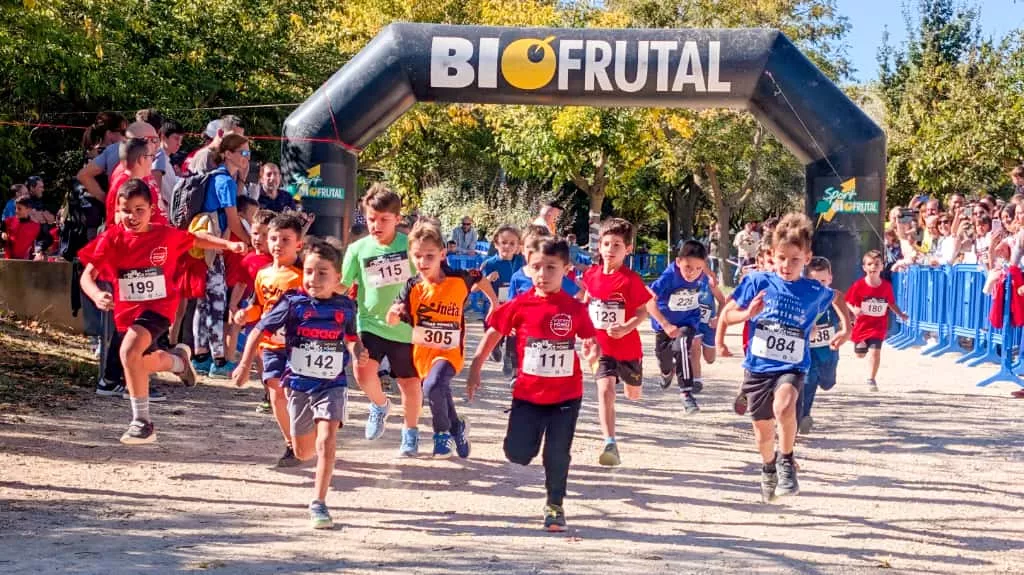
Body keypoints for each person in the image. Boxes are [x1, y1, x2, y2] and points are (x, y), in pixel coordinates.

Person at [78, 179, 245, 444]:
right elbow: (87, 276)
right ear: (117, 210)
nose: (132, 217)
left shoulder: (164, 235)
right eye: (126, 210)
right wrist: (97, 295)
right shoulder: (112, 238)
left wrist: (228, 246)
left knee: (128, 352)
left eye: (139, 210)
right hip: (127, 313)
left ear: (151, 210)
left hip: (159, 308)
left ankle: (142, 422)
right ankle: (179, 361)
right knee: (140, 363)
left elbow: (196, 238)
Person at [466, 236, 598, 532]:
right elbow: (494, 332)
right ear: (527, 266)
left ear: (566, 269)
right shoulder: (520, 304)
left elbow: (590, 338)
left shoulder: (574, 308)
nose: (543, 274)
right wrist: (475, 367)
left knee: (557, 452)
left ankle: (555, 505)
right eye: (536, 267)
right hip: (528, 395)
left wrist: (593, 352)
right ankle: (529, 443)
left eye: (551, 267)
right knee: (518, 454)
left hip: (566, 395)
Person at [234, 236, 363, 529]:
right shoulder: (293, 303)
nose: (313, 278)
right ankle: (312, 443)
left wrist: (358, 352)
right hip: (299, 385)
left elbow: (351, 338)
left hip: (332, 384)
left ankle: (319, 502)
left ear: (337, 278)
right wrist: (243, 365)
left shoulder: (346, 306)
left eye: (322, 273)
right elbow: (258, 330)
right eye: (308, 271)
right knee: (304, 451)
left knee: (326, 440)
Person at [719, 213, 838, 502]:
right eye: (782, 258)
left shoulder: (814, 290)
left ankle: (786, 461)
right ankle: (769, 466)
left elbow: (838, 298)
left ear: (807, 258)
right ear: (772, 254)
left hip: (792, 365)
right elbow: (727, 314)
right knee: (763, 435)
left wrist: (845, 329)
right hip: (758, 367)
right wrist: (747, 314)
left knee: (784, 407)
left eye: (795, 260)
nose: (787, 265)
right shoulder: (757, 281)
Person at [387, 221, 497, 458]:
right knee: (439, 389)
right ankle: (457, 427)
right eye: (417, 256)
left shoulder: (458, 278)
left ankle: (441, 434)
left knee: (433, 386)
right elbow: (393, 316)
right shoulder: (412, 286)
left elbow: (479, 277)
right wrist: (393, 314)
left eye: (430, 256)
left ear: (442, 254)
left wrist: (494, 304)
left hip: (450, 351)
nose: (423, 262)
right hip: (423, 354)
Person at [340, 184, 421, 455]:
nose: (376, 225)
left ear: (397, 219)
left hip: (406, 328)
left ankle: (410, 432)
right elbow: (343, 285)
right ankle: (379, 404)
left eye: (384, 219)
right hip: (370, 323)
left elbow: (427, 278)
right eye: (371, 219)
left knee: (409, 384)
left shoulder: (410, 247)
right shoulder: (358, 249)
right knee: (362, 372)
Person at [231, 213, 305, 466]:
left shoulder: (303, 275)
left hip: (300, 345)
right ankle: (291, 444)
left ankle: (308, 435)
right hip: (271, 345)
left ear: (298, 244)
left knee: (297, 394)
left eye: (285, 240)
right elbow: (258, 306)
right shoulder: (263, 274)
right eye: (273, 238)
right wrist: (245, 314)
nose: (277, 244)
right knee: (276, 393)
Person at [580, 218, 653, 467]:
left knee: (633, 394)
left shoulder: (630, 280)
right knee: (605, 390)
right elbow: (586, 304)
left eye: (617, 245)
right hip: (602, 348)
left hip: (628, 348)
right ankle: (610, 443)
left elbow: (643, 312)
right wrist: (585, 333)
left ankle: (632, 382)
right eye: (606, 244)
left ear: (628, 249)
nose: (610, 249)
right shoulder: (591, 275)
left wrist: (626, 327)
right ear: (599, 246)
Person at [192, 134, 252, 379]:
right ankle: (218, 360)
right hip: (214, 246)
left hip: (203, 243)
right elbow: (234, 220)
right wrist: (250, 242)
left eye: (248, 153)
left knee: (203, 302)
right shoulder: (225, 181)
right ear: (227, 153)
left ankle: (201, 357)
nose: (246, 158)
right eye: (243, 153)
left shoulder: (215, 177)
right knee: (217, 301)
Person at [646, 240, 710, 415]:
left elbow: (704, 270)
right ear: (678, 261)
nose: (692, 273)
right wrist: (665, 324)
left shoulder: (701, 274)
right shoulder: (669, 277)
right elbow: (648, 301)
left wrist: (711, 276)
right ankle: (667, 372)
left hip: (688, 321)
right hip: (665, 324)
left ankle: (686, 393)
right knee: (664, 358)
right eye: (688, 267)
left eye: (698, 269)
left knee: (681, 346)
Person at [798, 257, 851, 435]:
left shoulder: (832, 298)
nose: (818, 286)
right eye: (814, 281)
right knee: (809, 380)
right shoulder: (802, 300)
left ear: (830, 278)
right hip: (808, 351)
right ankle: (803, 416)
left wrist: (846, 327)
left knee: (828, 383)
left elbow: (842, 304)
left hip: (829, 351)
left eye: (822, 281)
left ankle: (826, 379)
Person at [846, 250, 908, 391]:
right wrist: (854, 310)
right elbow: (847, 301)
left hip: (878, 326)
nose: (873, 266)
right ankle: (856, 340)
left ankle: (871, 379)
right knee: (860, 354)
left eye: (876, 264)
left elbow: (891, 303)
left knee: (875, 352)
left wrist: (901, 314)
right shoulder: (859, 285)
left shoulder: (886, 286)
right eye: (869, 264)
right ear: (864, 267)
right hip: (861, 325)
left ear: (882, 266)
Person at [480, 225, 525, 377]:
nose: (508, 246)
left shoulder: (522, 262)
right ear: (496, 244)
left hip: (514, 308)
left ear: (518, 246)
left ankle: (510, 361)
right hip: (494, 307)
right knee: (495, 337)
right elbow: (474, 287)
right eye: (504, 242)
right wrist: (487, 279)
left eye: (512, 243)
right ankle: (495, 347)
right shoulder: (489, 263)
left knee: (514, 337)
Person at [106, 137, 166, 227]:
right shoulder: (123, 183)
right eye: (151, 156)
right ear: (141, 159)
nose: (152, 161)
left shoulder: (145, 177)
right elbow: (120, 219)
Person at [153, 120, 185, 213]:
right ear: (163, 136)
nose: (179, 143)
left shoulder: (164, 157)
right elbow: (155, 181)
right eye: (176, 138)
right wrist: (160, 203)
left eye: (181, 140)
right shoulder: (160, 155)